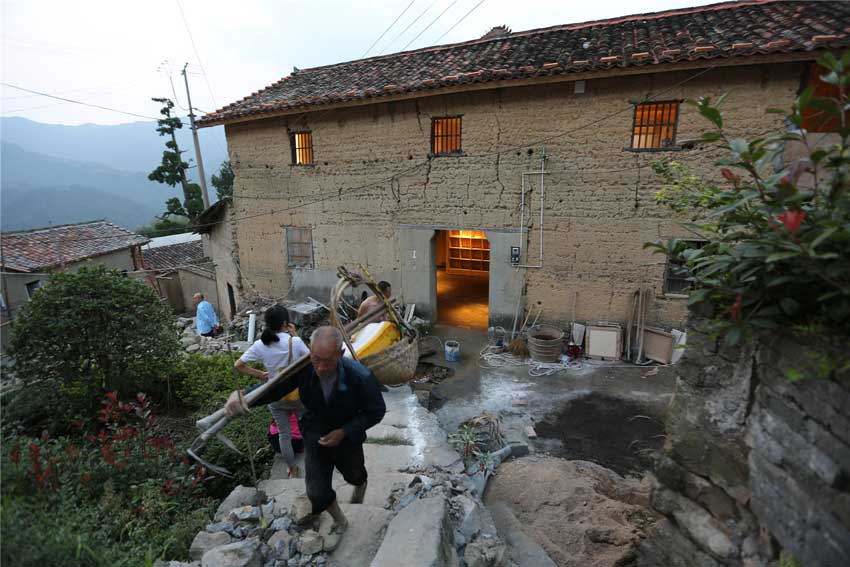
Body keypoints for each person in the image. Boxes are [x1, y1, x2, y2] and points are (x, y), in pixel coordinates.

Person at [225, 326, 386, 538]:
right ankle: (340, 521)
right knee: (316, 492)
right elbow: (275, 388)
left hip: (347, 437)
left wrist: (345, 431)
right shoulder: (303, 369)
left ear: (341, 354)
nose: (319, 367)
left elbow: (377, 411)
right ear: (310, 352)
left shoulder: (360, 377)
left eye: (327, 361)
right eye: (315, 359)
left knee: (355, 475)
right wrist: (243, 395)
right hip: (315, 432)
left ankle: (360, 486)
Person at [234, 305, 309, 478]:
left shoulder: (260, 344)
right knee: (307, 429)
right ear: (285, 323)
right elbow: (311, 359)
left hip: (274, 395)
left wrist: (260, 374)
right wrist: (295, 335)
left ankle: (292, 469)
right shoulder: (294, 342)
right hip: (297, 395)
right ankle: (314, 463)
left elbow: (238, 365)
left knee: (284, 434)